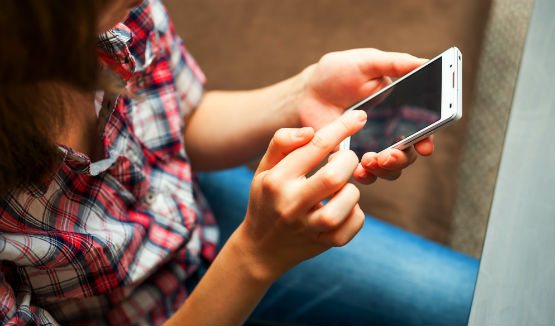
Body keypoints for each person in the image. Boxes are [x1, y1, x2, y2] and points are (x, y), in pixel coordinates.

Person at [0, 0, 478, 325]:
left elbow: (181, 120)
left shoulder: (120, 14)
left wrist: (303, 92)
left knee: (480, 302)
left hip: (192, 213)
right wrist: (253, 258)